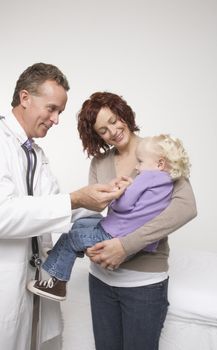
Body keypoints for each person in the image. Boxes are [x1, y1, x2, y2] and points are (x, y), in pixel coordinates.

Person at [0, 65, 127, 350]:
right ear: (25, 98)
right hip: (1, 288)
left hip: (37, 282)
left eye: (59, 111)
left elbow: (55, 206)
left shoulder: (34, 152)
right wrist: (75, 199)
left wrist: (106, 209)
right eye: (51, 109)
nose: (56, 119)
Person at [77, 91, 197, 350]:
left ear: (124, 113)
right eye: (102, 130)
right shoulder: (100, 163)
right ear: (97, 137)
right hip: (100, 280)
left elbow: (187, 207)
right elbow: (95, 211)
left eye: (114, 119)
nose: (113, 130)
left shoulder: (157, 152)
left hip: (143, 284)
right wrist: (88, 243)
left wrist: (127, 246)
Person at [27, 133, 191, 302]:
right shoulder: (169, 181)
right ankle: (59, 255)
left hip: (115, 235)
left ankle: (57, 285)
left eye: (140, 162)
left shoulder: (146, 177)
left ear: (160, 163)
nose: (136, 167)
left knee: (72, 237)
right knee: (85, 221)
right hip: (134, 239)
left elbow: (123, 206)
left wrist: (119, 192)